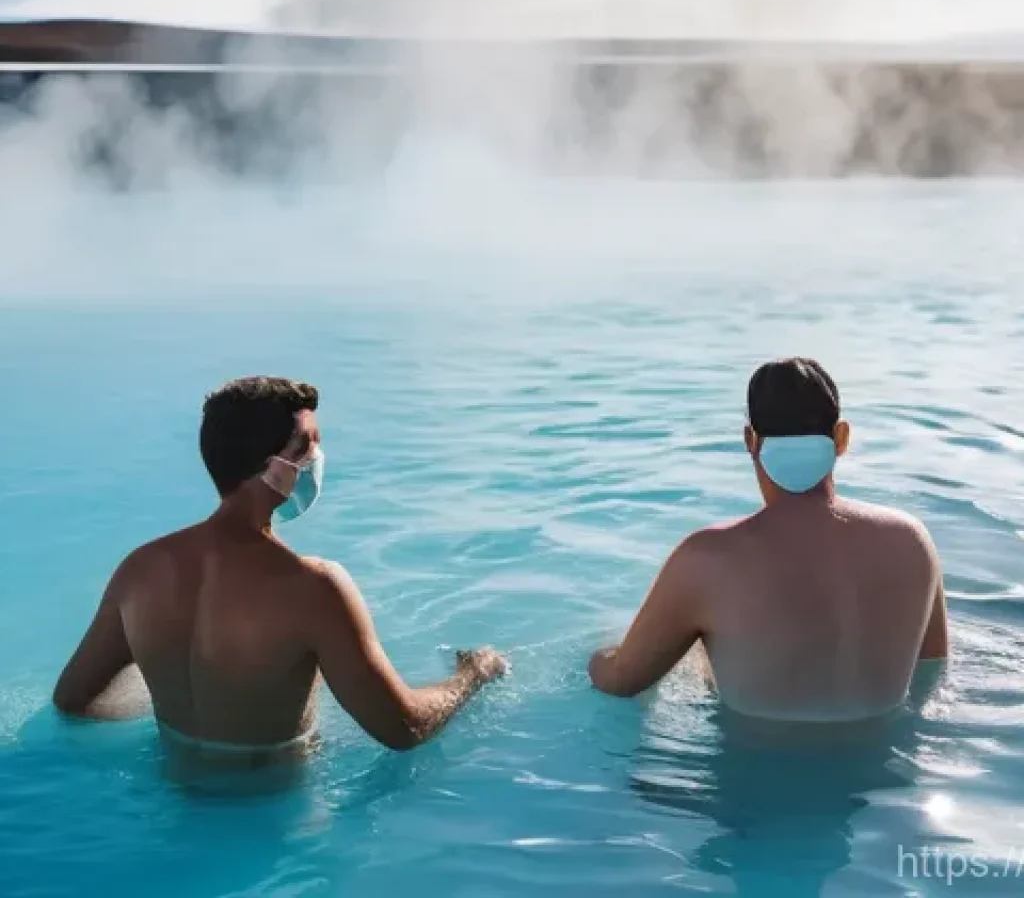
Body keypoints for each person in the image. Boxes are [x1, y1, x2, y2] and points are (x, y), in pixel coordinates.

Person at [53, 376, 507, 761]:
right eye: (308, 446)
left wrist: (174, 675)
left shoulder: (140, 570)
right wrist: (472, 675)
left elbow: (72, 699)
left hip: (170, 798)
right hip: (276, 816)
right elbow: (403, 729)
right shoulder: (314, 588)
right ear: (276, 467)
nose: (317, 458)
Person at [588, 357, 948, 721]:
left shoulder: (707, 560)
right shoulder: (913, 542)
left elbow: (621, 682)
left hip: (750, 756)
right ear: (841, 438)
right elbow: (933, 672)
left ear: (751, 441)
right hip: (886, 758)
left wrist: (597, 656)